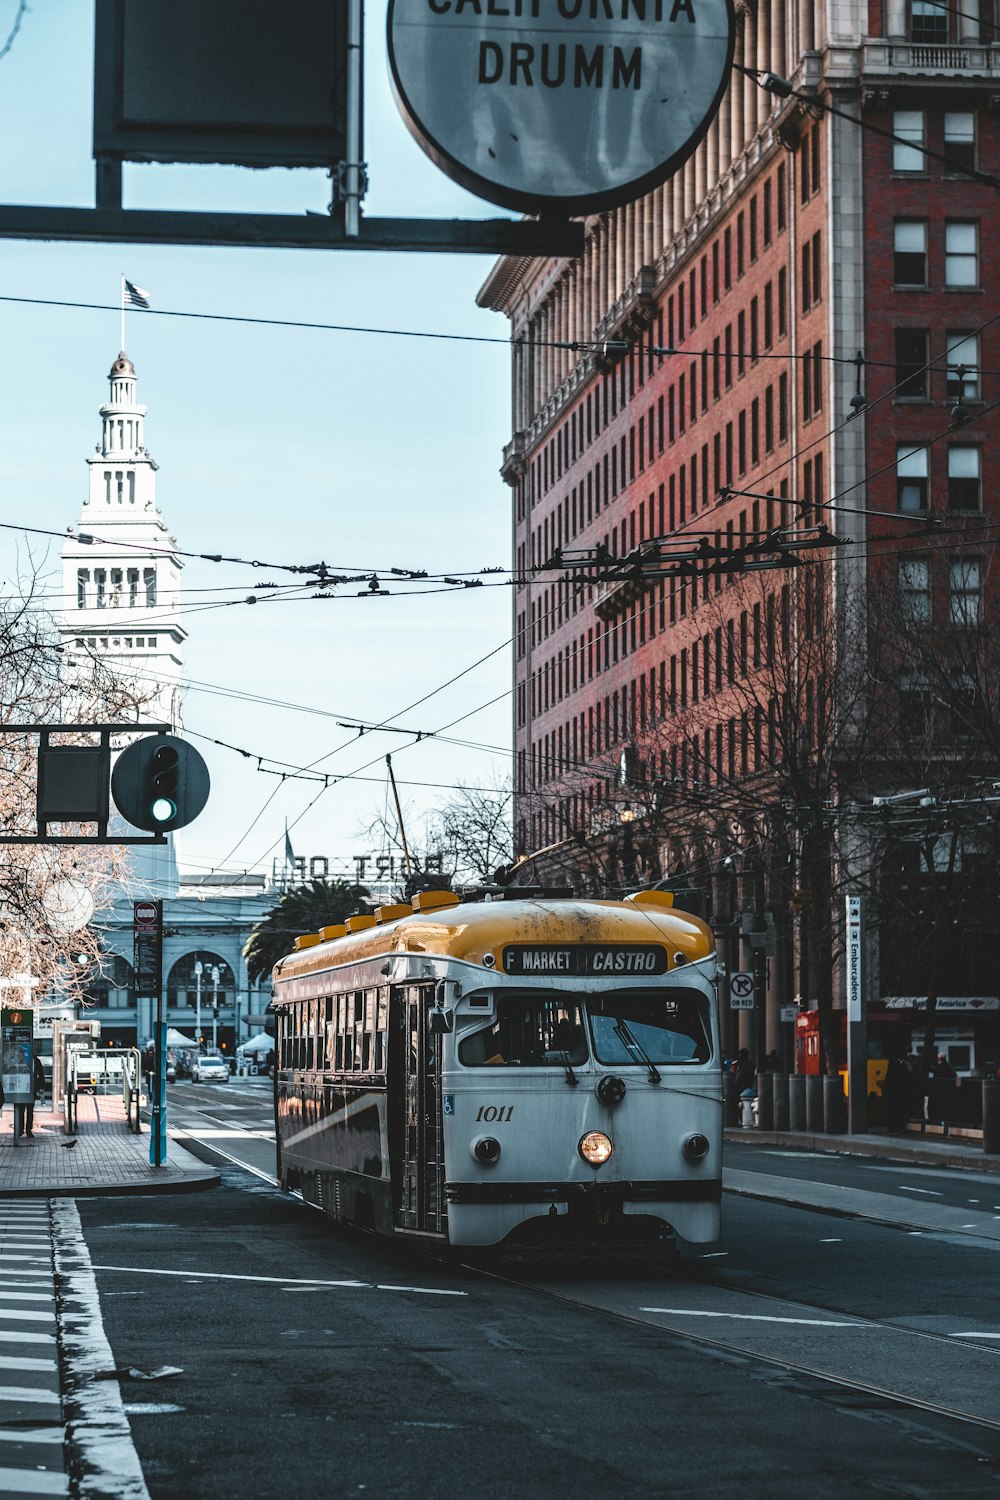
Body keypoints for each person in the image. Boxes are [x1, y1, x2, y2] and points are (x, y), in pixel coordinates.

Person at [24, 1050, 46, 1138]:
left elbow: (40, 1074)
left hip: (32, 1088)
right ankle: (22, 1129)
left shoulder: (35, 1060)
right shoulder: (33, 1060)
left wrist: (41, 1086)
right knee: (23, 1109)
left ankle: (28, 1129)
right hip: (23, 1087)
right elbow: (41, 1074)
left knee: (29, 1109)